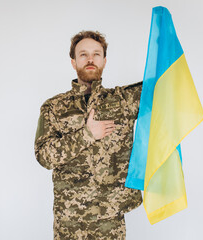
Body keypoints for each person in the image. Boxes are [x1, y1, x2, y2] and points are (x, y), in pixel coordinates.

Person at [34, 30, 143, 240]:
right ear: (73, 62)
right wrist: (86, 135)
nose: (90, 59)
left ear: (104, 61)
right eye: (83, 54)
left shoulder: (124, 101)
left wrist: (163, 41)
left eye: (96, 54)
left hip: (110, 221)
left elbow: (164, 86)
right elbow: (44, 156)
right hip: (70, 223)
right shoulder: (53, 107)